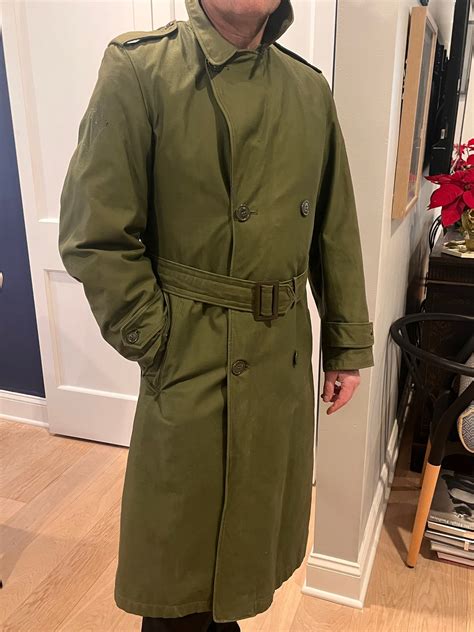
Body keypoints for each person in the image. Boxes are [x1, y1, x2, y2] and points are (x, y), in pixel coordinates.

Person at [58, 0, 375, 630]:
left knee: (243, 557)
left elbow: (334, 227)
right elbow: (95, 235)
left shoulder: (309, 90)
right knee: (178, 573)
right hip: (192, 357)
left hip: (281, 360)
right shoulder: (140, 70)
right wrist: (159, 340)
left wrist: (345, 345)